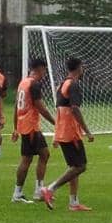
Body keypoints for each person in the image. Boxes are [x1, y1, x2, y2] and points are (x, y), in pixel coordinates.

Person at [40, 57, 94, 211]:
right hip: (71, 132)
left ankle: (74, 202)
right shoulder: (73, 84)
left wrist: (57, 134)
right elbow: (75, 109)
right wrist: (87, 131)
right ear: (79, 68)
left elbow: (60, 109)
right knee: (80, 166)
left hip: (63, 131)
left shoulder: (62, 84)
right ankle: (50, 189)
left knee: (73, 167)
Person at [11, 58, 55, 203]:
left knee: (41, 155)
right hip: (30, 127)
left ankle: (33, 190)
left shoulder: (23, 82)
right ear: (40, 69)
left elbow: (16, 106)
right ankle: (30, 192)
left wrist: (15, 127)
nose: (45, 73)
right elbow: (40, 107)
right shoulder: (34, 84)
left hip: (25, 126)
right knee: (31, 158)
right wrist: (56, 123)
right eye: (44, 70)